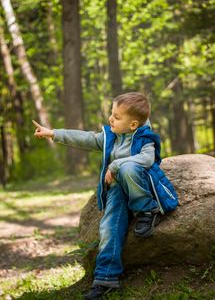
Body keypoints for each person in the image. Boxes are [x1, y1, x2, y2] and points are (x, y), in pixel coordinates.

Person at [33, 92, 178, 300]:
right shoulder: (111, 136)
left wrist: (116, 164)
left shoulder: (146, 139)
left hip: (140, 185)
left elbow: (146, 160)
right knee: (109, 226)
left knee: (128, 167)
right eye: (112, 113)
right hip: (118, 190)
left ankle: (146, 210)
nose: (111, 119)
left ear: (133, 124)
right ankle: (106, 279)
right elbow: (85, 138)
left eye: (117, 117)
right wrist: (53, 133)